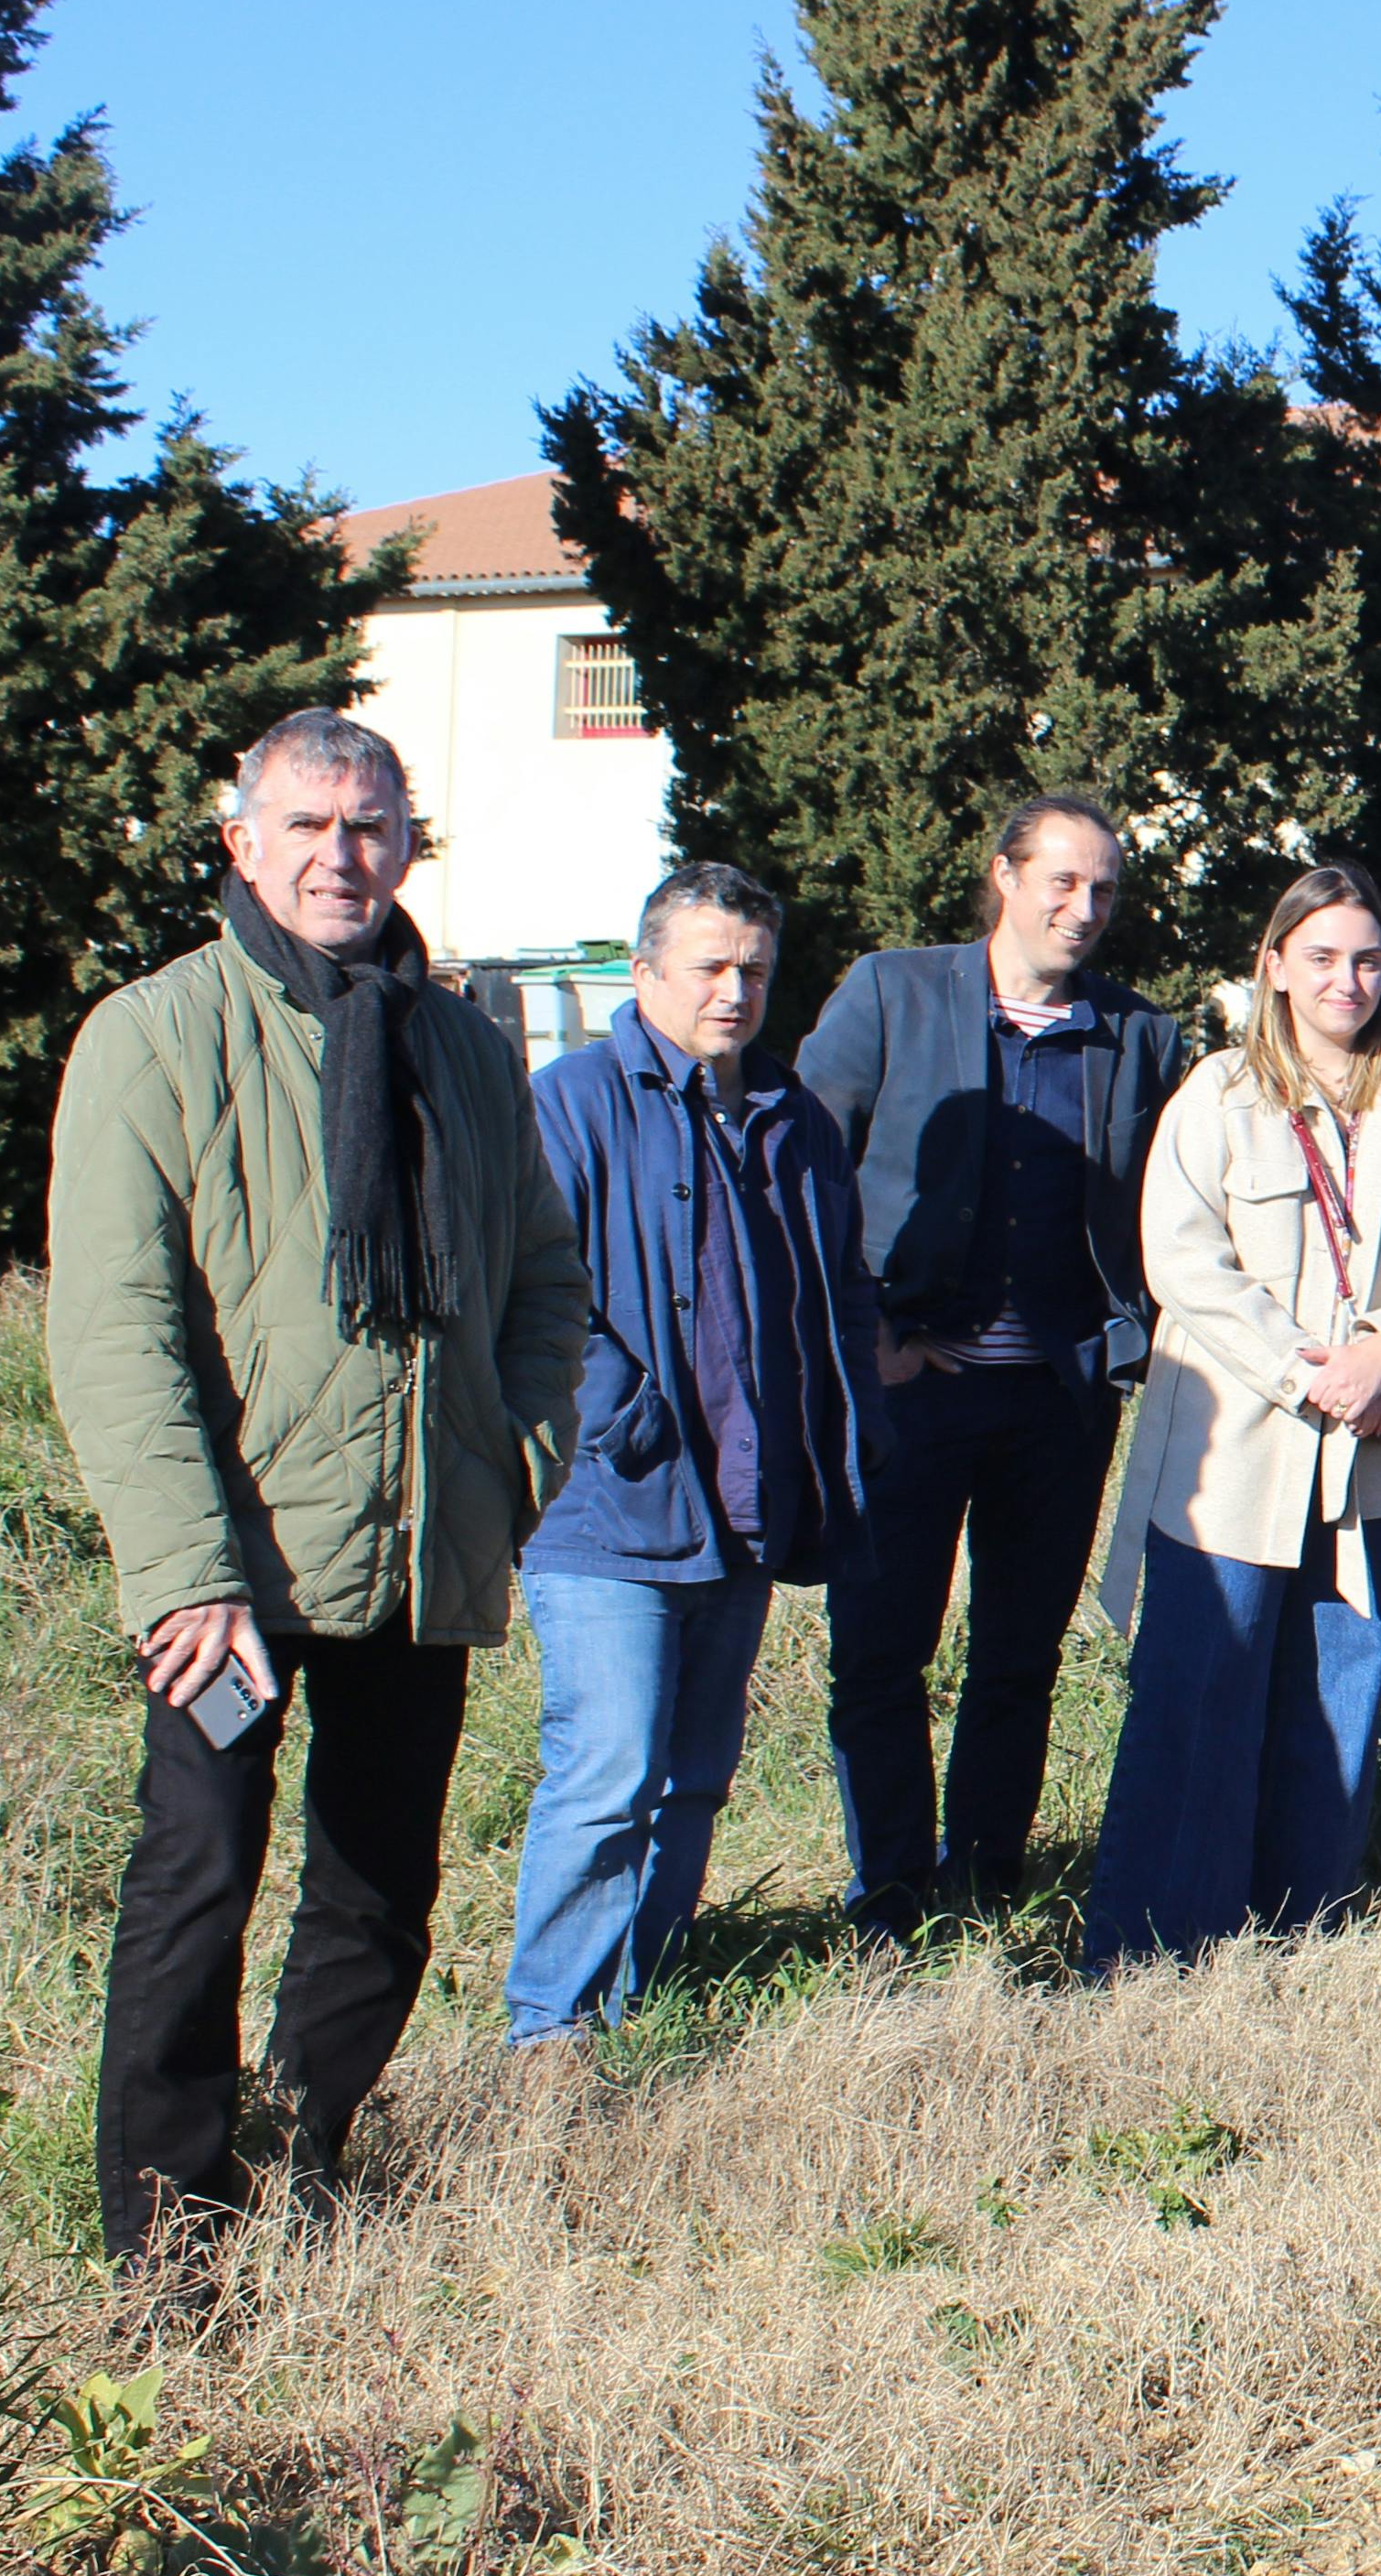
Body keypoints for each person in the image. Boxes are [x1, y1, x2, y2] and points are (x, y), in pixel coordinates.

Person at [44, 709, 584, 2265]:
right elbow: (115, 1333)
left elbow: (547, 1276)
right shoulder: (157, 1036)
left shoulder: (468, 1049)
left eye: (371, 825)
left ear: (408, 843)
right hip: (237, 1565)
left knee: (376, 1888)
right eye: (308, 826)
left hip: (423, 1540)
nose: (342, 854)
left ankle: (304, 2158)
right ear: (242, 846)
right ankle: (168, 2230)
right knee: (198, 1878)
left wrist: (513, 1461)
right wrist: (183, 1567)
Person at [1084, 860, 1381, 1960]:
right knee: (1198, 1699)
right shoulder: (1218, 1097)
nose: (1345, 980)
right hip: (1233, 1464)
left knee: (1336, 1697)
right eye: (1319, 957)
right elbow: (1184, 1261)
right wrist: (1302, 1370)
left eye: (1366, 959)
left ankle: (1295, 1936)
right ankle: (1154, 1950)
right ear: (1273, 968)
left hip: (1370, 1465)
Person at [796, 794, 1190, 1939]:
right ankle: (888, 1892)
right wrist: (864, 1330)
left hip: (1057, 1403)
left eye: (1104, 890)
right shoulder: (891, 991)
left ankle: (982, 1883)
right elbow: (806, 1168)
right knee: (881, 1654)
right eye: (1063, 882)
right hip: (908, 1394)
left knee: (1018, 1656)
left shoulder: (1137, 1036)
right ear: (1004, 878)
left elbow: (1174, 1207)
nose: (1084, 908)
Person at [510, 862, 889, 2043]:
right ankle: (549, 2030)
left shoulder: (794, 1118)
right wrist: (625, 1416)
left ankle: (645, 1994)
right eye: (711, 966)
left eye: (756, 969)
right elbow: (533, 1286)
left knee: (694, 1779)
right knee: (609, 1771)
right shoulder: (568, 1101)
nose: (735, 990)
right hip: (608, 1505)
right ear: (645, 974)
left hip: (747, 1496)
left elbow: (835, 1297)